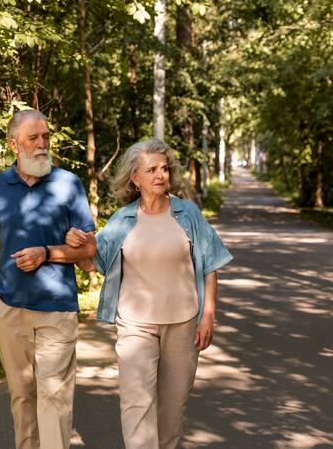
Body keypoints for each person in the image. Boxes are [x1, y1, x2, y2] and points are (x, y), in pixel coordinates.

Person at [67, 138, 232, 449]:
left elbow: (211, 264)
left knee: (172, 410)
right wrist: (76, 242)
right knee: (136, 404)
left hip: (183, 324)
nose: (161, 175)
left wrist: (207, 315)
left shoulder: (187, 215)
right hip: (135, 325)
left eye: (164, 168)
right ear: (135, 177)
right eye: (152, 169)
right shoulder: (122, 220)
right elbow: (93, 261)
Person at [0, 109, 96, 449]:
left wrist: (50, 250)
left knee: (53, 396)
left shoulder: (68, 183)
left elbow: (90, 251)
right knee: (22, 394)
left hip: (57, 306)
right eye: (33, 138)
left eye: (46, 137)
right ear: (14, 144)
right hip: (8, 307)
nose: (42, 144)